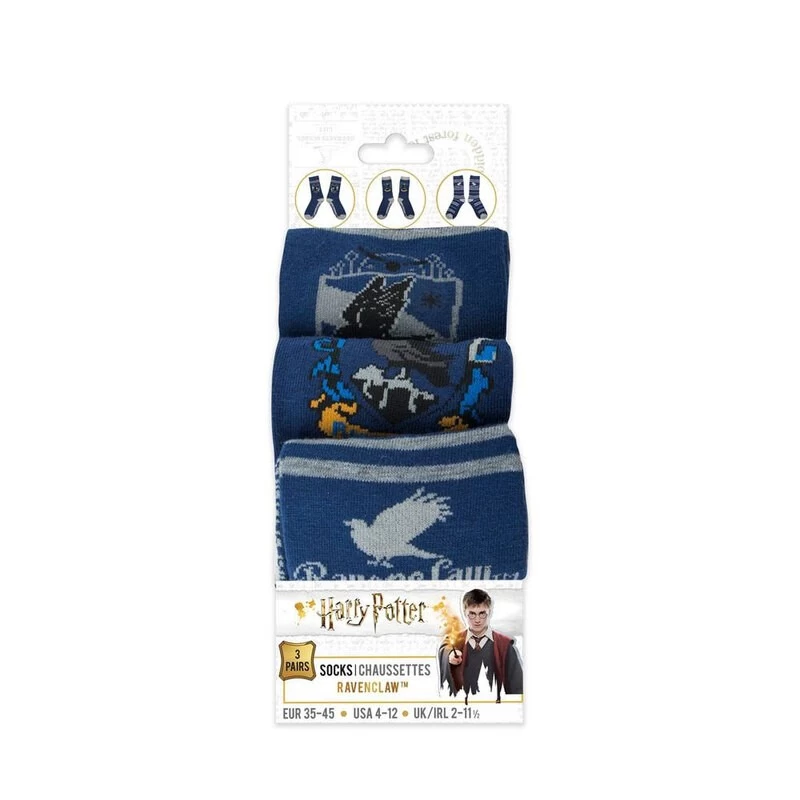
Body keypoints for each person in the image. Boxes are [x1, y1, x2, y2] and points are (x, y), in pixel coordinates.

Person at [439, 588, 523, 701]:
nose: (477, 620)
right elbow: (446, 647)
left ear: (489, 612)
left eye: (482, 613)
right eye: (472, 614)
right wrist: (449, 656)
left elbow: (517, 687)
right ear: (464, 613)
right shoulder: (456, 641)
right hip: (462, 708)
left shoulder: (504, 646)